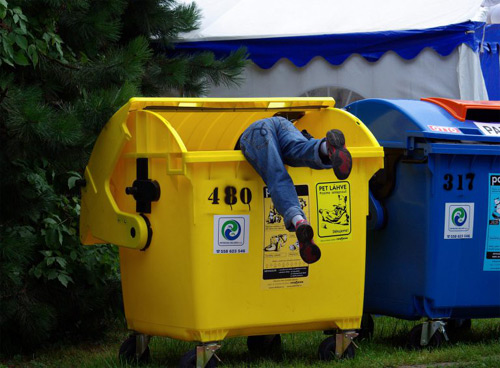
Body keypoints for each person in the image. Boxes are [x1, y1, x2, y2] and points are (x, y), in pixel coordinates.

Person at [239, 116, 352, 265]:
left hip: (253, 132)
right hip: (283, 122)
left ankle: (298, 220)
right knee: (298, 149)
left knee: (276, 174)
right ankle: (325, 148)